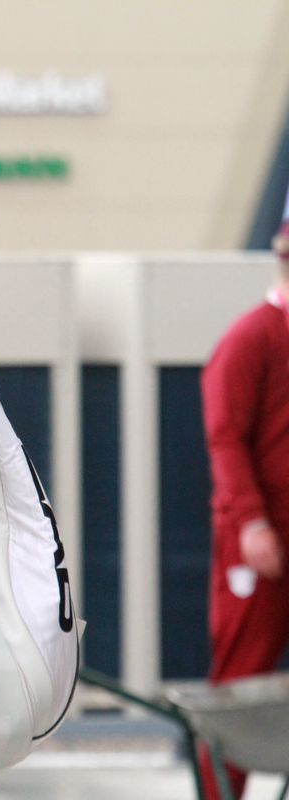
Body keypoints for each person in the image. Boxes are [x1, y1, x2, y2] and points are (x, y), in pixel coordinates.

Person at [198, 217, 289, 800]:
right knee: (241, 682)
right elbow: (225, 435)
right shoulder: (252, 337)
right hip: (259, 538)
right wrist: (253, 521)